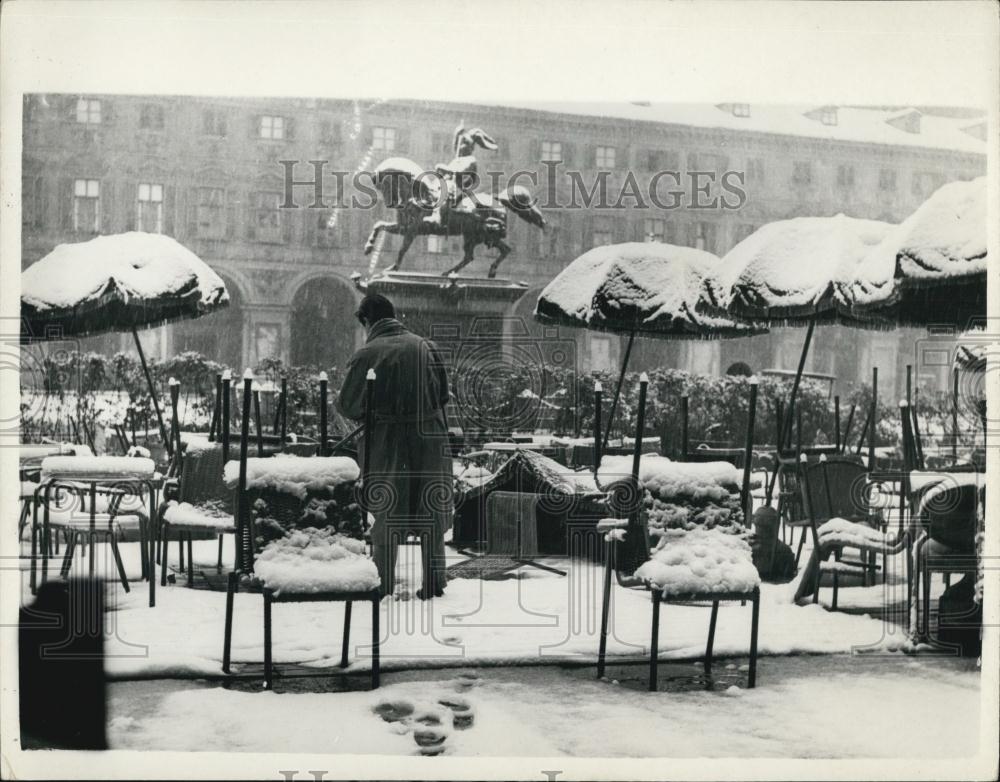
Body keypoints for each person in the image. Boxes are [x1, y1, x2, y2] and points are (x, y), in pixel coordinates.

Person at [337, 294, 453, 600]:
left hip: (388, 441)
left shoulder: (366, 354)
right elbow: (443, 395)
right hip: (430, 437)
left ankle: (383, 582)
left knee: (387, 508)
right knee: (431, 507)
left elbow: (347, 405)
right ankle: (434, 582)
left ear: (366, 320)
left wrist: (376, 410)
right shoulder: (426, 346)